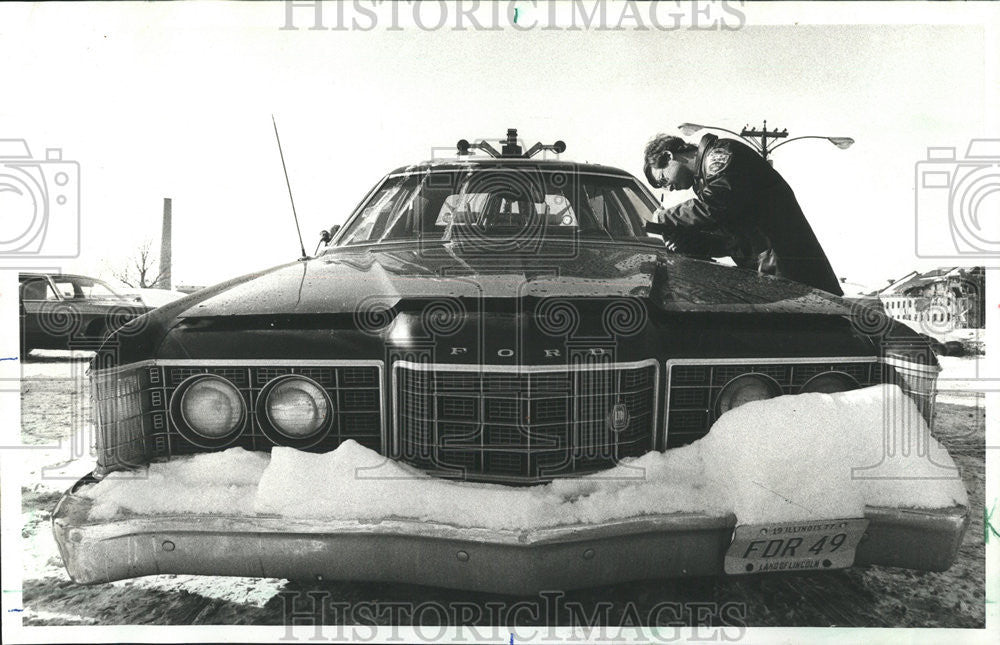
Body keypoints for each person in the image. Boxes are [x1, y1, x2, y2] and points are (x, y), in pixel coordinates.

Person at [642, 133, 844, 296]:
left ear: (669, 157)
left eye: (662, 179)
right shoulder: (707, 182)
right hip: (772, 270)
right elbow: (729, 240)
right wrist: (687, 243)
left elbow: (717, 204)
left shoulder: (721, 154)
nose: (668, 188)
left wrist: (666, 217)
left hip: (789, 268)